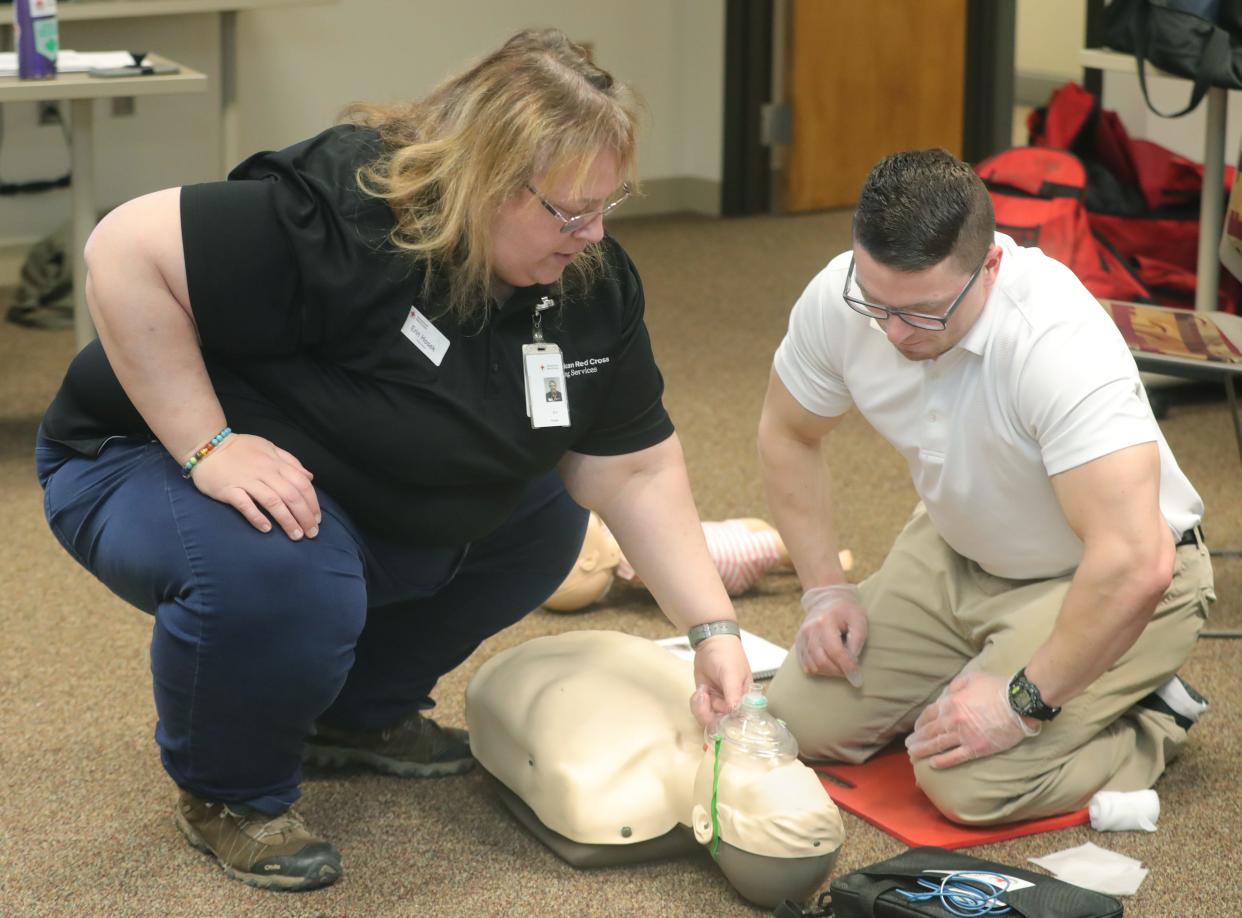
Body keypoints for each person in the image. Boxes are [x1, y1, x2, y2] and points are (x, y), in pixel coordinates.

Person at [35, 30, 750, 891]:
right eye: (568, 214)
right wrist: (209, 445)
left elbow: (632, 469)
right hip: (142, 453)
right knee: (283, 566)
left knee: (543, 521)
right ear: (487, 181)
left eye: (608, 205)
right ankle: (230, 794)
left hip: (347, 472)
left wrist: (712, 630)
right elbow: (122, 250)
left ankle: (356, 718)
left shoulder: (589, 282)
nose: (592, 234)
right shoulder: (349, 213)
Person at [758, 149, 1216, 826]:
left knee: (969, 787)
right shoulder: (844, 296)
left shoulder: (1057, 340)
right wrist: (824, 588)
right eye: (876, 303)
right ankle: (982, 669)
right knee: (799, 724)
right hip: (956, 549)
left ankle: (1149, 714)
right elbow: (787, 434)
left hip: (1108, 578)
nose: (891, 332)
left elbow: (1135, 561)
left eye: (923, 313)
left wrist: (1023, 704)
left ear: (991, 267)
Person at [465, 630, 844, 908]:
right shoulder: (603, 783)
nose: (764, 751)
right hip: (559, 664)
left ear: (705, 824)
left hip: (527, 675)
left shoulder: (602, 793)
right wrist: (716, 636)